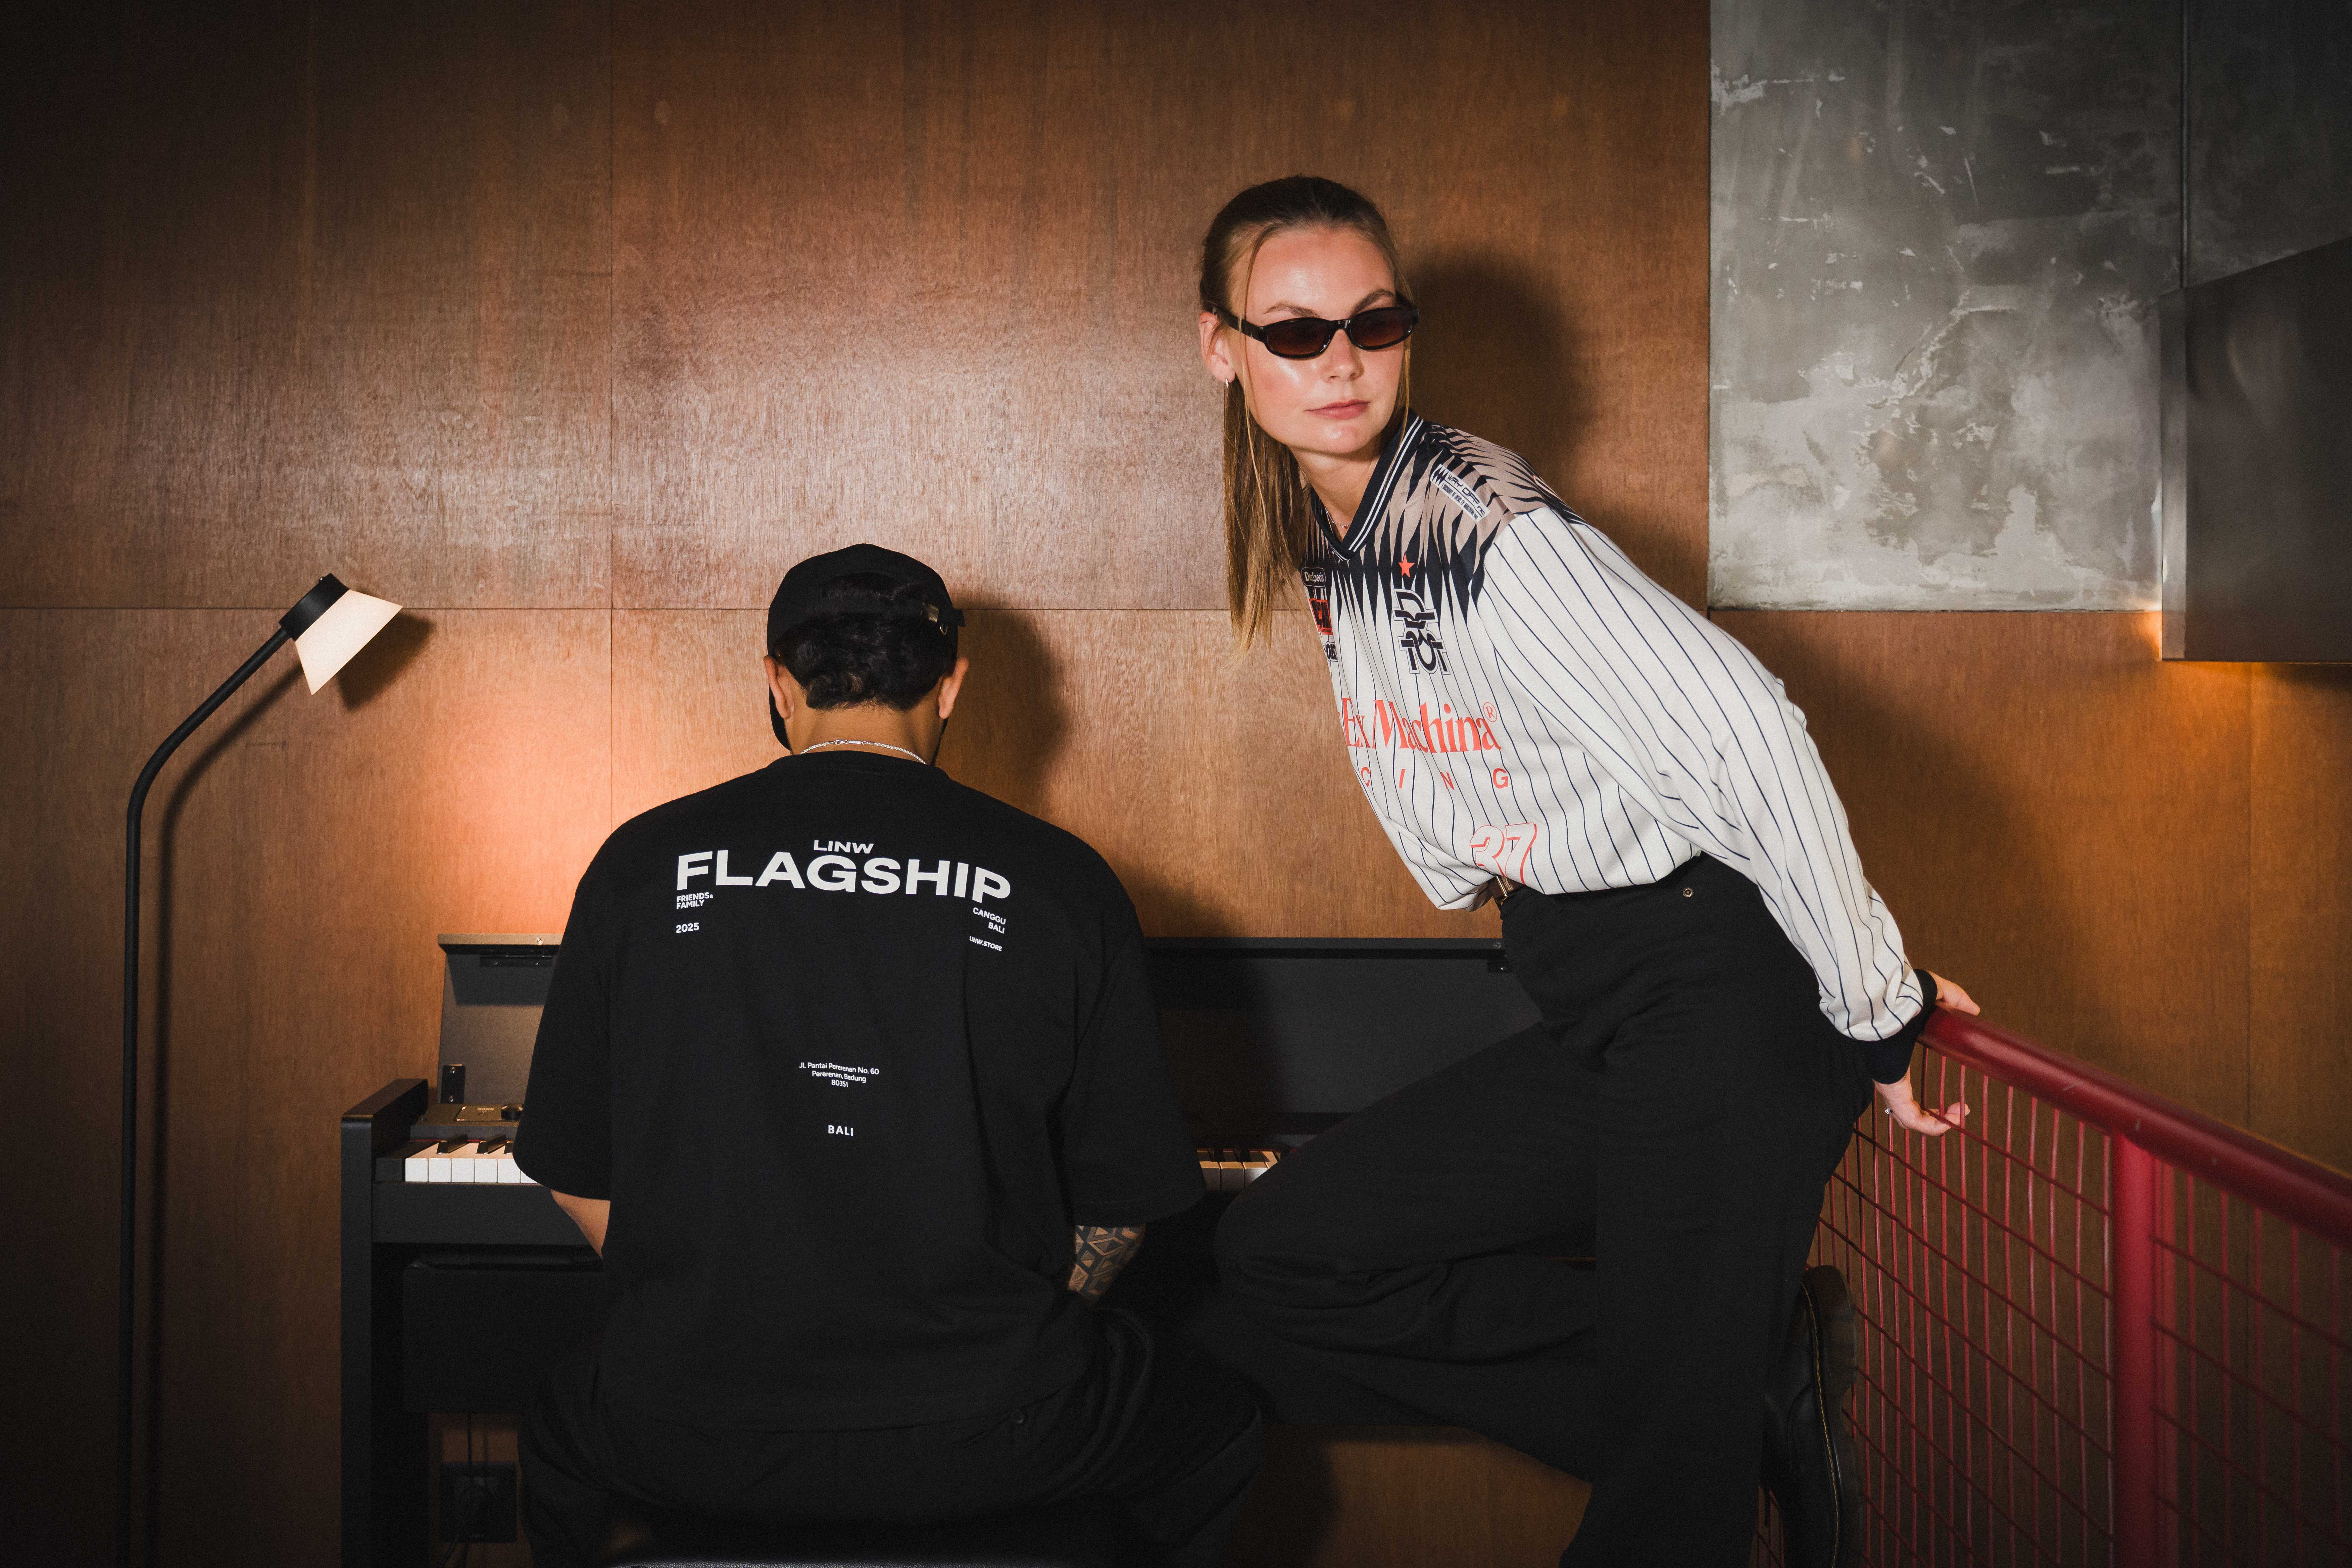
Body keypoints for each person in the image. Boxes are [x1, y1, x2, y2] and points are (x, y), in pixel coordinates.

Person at [1192, 176, 1978, 1568]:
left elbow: (1747, 729)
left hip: (1721, 987)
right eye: (1298, 332)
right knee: (1288, 1251)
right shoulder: (1346, 534)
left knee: (1657, 1525)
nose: (1343, 361)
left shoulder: (1485, 527)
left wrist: (1875, 1001)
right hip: (1605, 998)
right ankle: (1735, 1395)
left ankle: (1704, 1409)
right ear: (1224, 348)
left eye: (1375, 323)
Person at [511, 544, 1261, 1568]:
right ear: (951, 685)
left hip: (692, 1425)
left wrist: (711, 1312)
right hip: (990, 1430)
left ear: (777, 683)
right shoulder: (1063, 882)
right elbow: (1123, 1209)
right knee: (1222, 1424)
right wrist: (997, 1341)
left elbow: (572, 1169)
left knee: (555, 1425)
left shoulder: (637, 865)